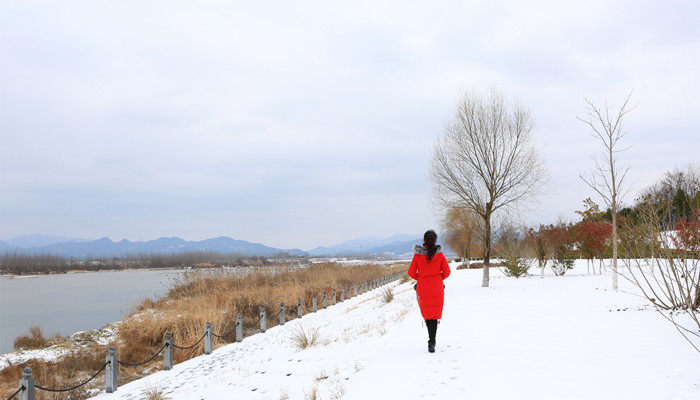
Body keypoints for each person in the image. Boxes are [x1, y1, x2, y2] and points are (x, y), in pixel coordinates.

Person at [407, 229, 451, 353]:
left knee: (428, 315)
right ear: (436, 240)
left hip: (423, 288)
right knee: (435, 315)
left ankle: (431, 340)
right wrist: (437, 278)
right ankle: (432, 340)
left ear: (424, 240)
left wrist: (421, 279)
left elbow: (411, 273)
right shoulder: (440, 255)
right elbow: (447, 272)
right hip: (437, 288)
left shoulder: (418, 255)